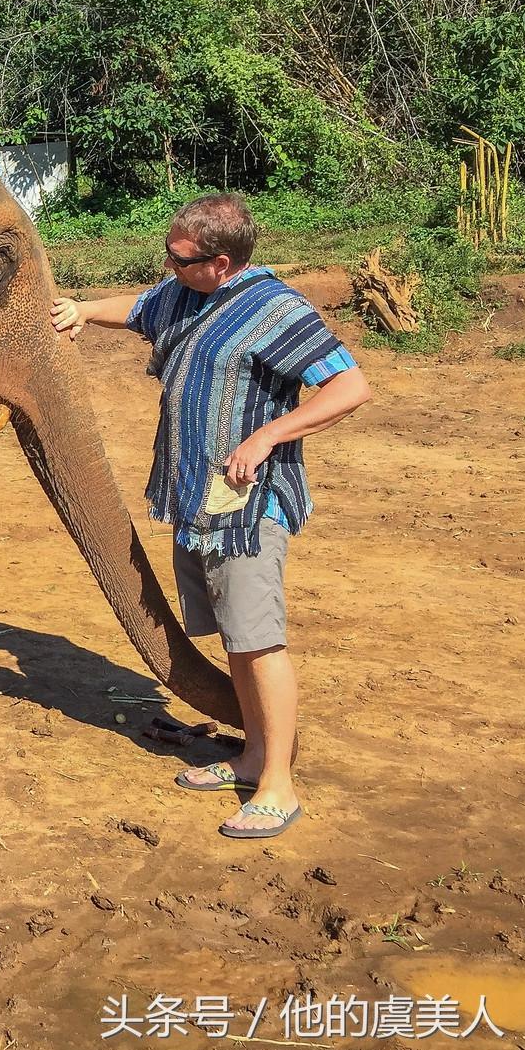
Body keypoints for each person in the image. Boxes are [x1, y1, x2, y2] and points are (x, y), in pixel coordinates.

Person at [49, 193, 371, 839]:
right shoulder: (183, 295)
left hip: (248, 508)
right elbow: (139, 308)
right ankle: (252, 755)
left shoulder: (274, 309)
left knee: (259, 640)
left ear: (220, 262)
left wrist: (269, 435)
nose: (166, 266)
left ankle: (279, 784)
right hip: (198, 501)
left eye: (179, 258)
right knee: (234, 636)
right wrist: (83, 311)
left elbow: (349, 385)